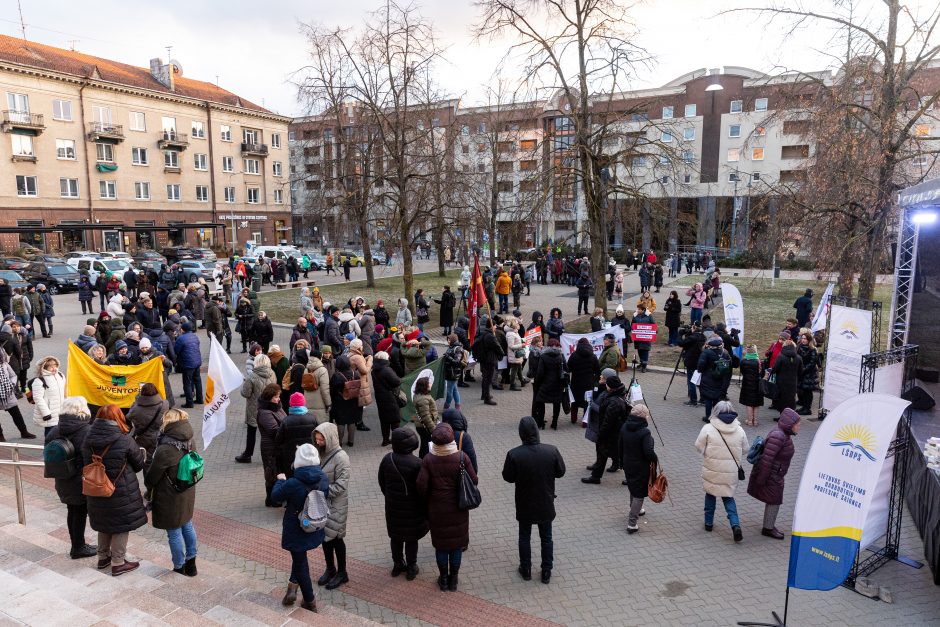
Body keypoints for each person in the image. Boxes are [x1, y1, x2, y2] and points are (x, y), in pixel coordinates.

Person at [82, 404, 147, 576]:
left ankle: (103, 557)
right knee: (120, 525)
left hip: (96, 487)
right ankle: (118, 562)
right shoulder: (124, 439)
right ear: (118, 417)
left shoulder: (87, 438)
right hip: (120, 490)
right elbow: (139, 464)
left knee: (104, 522)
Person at [502, 415, 566, 583]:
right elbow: (561, 472)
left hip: (525, 502)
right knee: (546, 537)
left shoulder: (514, 454)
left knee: (524, 536)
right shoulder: (551, 450)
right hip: (545, 501)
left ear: (521, 434)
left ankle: (526, 569)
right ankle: (546, 571)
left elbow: (508, 477)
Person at [416, 422, 478, 592]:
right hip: (459, 508)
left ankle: (443, 579)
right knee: (456, 546)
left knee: (441, 546)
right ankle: (454, 580)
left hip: (437, 510)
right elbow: (474, 480)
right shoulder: (461, 457)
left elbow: (421, 486)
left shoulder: (428, 459)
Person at [272, 443, 328, 612]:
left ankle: (310, 601)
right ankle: (292, 586)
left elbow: (275, 497)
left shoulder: (293, 483)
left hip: (296, 528)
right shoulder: (323, 478)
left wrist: (280, 481)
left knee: (300, 561)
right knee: (299, 557)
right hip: (315, 524)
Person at [143, 408, 199, 577]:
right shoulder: (190, 439)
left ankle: (179, 566)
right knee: (187, 524)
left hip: (169, 495)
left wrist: (148, 487)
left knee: (173, 531)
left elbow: (152, 476)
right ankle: (192, 564)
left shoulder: (166, 448)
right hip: (187, 490)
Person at [44, 397, 95, 558]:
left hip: (62, 478)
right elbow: (90, 457)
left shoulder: (55, 430)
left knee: (72, 510)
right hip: (80, 481)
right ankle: (78, 547)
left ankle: (77, 544)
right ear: (81, 410)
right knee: (79, 512)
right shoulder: (86, 431)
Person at [377, 427, 429, 580]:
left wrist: (390, 496)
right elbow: (423, 488)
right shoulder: (418, 463)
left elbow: (382, 481)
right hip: (413, 509)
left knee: (396, 537)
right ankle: (412, 566)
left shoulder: (387, 459)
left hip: (393, 507)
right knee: (411, 539)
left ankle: (398, 564)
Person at [694, 400, 748, 542]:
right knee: (728, 497)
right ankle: (735, 525)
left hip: (712, 469)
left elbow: (698, 446)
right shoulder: (740, 430)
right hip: (730, 472)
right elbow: (746, 449)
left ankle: (708, 523)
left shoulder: (708, 428)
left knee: (710, 494)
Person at [747, 408, 801, 540]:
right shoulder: (779, 436)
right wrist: (761, 479)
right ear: (789, 424)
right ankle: (768, 529)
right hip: (772, 475)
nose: (799, 427)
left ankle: (769, 526)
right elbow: (767, 459)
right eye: (797, 424)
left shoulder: (784, 434)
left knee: (774, 500)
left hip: (776, 474)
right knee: (775, 500)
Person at [313, 422, 351, 591]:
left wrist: (323, 491)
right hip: (322, 503)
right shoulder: (319, 453)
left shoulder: (341, 458)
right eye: (316, 439)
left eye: (321, 439)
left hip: (336, 505)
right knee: (324, 537)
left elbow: (342, 485)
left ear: (329, 439)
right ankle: (330, 568)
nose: (318, 442)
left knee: (336, 538)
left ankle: (342, 573)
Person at [582, 374, 629, 483]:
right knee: (606, 454)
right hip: (614, 432)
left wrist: (601, 434)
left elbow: (608, 421)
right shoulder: (617, 395)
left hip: (611, 433)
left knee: (612, 453)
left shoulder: (614, 402)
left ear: (611, 386)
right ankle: (596, 476)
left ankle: (629, 477)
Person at [619, 404, 657, 533]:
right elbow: (649, 452)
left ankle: (635, 508)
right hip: (641, 466)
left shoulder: (624, 427)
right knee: (639, 494)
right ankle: (632, 523)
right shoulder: (645, 432)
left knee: (632, 486)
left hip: (627, 463)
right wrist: (655, 458)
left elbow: (620, 446)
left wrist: (621, 462)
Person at [237, 354, 277, 463]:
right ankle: (271, 455)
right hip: (270, 408)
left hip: (255, 408)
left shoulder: (252, 376)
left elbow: (245, 393)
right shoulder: (272, 374)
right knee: (269, 433)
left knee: (251, 433)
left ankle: (248, 454)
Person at [275, 393, 319, 477]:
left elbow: (278, 441)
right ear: (303, 403)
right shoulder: (312, 418)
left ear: (291, 404)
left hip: (291, 458)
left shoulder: (286, 421)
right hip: (309, 456)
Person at [126, 382, 168, 466]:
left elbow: (128, 417)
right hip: (159, 437)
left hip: (143, 438)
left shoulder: (136, 409)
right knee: (154, 461)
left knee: (145, 461)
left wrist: (137, 400)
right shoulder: (165, 404)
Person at [533, 338, 566, 429]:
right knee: (556, 403)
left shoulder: (543, 356)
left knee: (540, 401)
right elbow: (565, 369)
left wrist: (537, 383)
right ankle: (554, 423)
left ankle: (540, 423)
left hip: (545, 384)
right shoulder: (560, 356)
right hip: (558, 384)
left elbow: (540, 372)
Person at [696, 337, 732, 421]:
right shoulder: (724, 352)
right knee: (716, 398)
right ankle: (716, 416)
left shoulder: (706, 352)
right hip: (720, 378)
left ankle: (708, 417)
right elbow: (728, 365)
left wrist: (701, 370)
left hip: (707, 377)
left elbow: (700, 365)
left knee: (708, 399)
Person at [329, 355, 362, 447]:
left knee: (341, 422)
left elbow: (332, 390)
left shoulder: (336, 376)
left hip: (340, 402)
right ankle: (351, 441)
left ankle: (339, 442)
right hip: (353, 401)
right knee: (352, 421)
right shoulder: (355, 373)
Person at [567, 338, 600, 425]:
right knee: (587, 402)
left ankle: (573, 419)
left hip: (576, 382)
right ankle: (585, 422)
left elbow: (568, 368)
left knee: (574, 402)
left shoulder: (573, 355)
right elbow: (597, 370)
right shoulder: (593, 356)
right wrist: (595, 380)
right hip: (588, 383)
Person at [372, 351, 402, 447]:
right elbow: (396, 381)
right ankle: (396, 441)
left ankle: (385, 440)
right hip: (390, 397)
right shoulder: (386, 370)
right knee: (395, 420)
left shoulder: (374, 370)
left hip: (380, 397)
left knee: (384, 420)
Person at [31, 356, 66, 437]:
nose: (54, 368)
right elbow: (38, 398)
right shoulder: (39, 380)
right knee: (50, 436)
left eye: (55, 365)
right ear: (44, 367)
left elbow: (64, 392)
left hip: (61, 412)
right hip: (50, 414)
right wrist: (46, 413)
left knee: (60, 435)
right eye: (51, 366)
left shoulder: (61, 375)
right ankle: (48, 449)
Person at [174, 322, 202, 409]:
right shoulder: (195, 336)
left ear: (182, 329)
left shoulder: (180, 338)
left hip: (187, 364)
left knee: (187, 383)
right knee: (197, 381)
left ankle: (189, 403)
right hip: (197, 362)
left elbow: (176, 351)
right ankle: (199, 399)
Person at [769, 339, 802, 413]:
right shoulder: (798, 357)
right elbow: (800, 371)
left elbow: (775, 369)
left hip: (781, 381)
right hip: (793, 381)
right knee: (791, 398)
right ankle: (790, 416)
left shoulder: (781, 356)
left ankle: (782, 416)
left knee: (782, 398)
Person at [738, 345, 764, 427]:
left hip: (747, 384)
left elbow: (742, 372)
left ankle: (749, 421)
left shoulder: (743, 361)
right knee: (756, 404)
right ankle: (755, 421)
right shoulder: (759, 362)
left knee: (749, 403)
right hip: (757, 385)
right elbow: (762, 374)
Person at [796, 331, 819, 416]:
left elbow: (812, 363)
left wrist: (803, 370)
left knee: (808, 391)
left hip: (809, 374)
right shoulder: (799, 347)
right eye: (802, 338)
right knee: (803, 391)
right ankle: (804, 407)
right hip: (801, 372)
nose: (803, 340)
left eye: (805, 339)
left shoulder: (813, 349)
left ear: (809, 340)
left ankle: (807, 409)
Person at [631, 306, 655, 372]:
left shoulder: (649, 316)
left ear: (643, 310)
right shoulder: (635, 316)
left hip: (646, 337)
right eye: (637, 309)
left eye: (639, 309)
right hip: (638, 337)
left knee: (645, 351)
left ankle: (644, 366)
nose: (637, 310)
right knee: (640, 350)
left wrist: (654, 331)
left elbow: (653, 324)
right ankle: (641, 363)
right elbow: (632, 324)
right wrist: (633, 329)